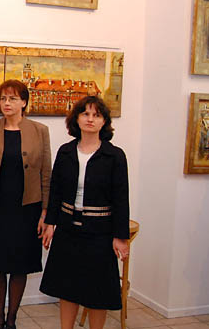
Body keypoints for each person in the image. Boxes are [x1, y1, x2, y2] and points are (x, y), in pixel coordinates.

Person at [40, 96, 129, 329]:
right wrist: (50, 223)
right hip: (68, 230)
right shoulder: (65, 152)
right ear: (76, 119)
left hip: (100, 232)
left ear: (104, 121)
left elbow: (121, 198)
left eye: (96, 115)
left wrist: (120, 237)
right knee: (67, 287)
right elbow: (56, 191)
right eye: (85, 114)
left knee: (97, 291)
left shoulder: (115, 156)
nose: (90, 119)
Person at [0, 79, 52, 329]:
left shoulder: (40, 130)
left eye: (13, 98)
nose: (7, 103)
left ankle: (12, 318)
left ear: (24, 102)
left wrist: (45, 213)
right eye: (3, 99)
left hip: (28, 209)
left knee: (20, 265)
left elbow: (46, 174)